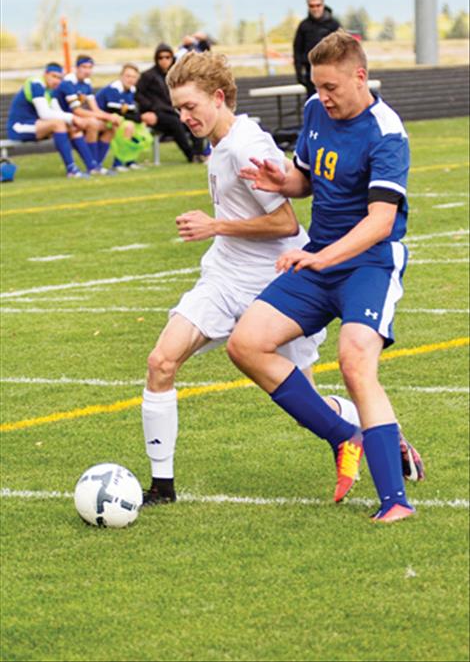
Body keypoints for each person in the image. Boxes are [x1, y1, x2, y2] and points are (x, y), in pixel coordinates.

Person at [139, 50, 422, 508]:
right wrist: (284, 180)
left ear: (217, 97)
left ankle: (385, 463)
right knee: (163, 361)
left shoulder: (255, 142)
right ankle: (162, 486)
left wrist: (218, 226)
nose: (184, 117)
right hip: (235, 275)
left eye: (190, 107)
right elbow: (304, 180)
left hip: (303, 270)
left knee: (336, 380)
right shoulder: (299, 116)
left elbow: (299, 225)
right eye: (179, 110)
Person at [228, 30, 421, 523]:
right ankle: (344, 436)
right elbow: (308, 178)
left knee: (355, 361)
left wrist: (322, 256)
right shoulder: (317, 109)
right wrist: (282, 183)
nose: (323, 96)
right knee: (246, 344)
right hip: (320, 259)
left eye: (332, 86)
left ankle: (395, 500)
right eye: (317, 85)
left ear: (360, 76)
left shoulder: (386, 131)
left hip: (368, 263)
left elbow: (379, 223)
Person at [7, 62, 87, 178]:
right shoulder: (36, 84)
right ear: (45, 74)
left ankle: (93, 167)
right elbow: (44, 114)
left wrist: (72, 121)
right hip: (19, 127)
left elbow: (57, 112)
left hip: (36, 126)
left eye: (60, 78)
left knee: (71, 126)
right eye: (54, 76)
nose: (57, 81)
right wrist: (73, 117)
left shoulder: (50, 90)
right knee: (58, 124)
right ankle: (71, 169)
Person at [135, 43, 207, 163]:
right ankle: (191, 155)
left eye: (167, 57)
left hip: (174, 111)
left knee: (194, 120)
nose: (164, 60)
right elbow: (138, 95)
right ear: (156, 59)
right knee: (175, 124)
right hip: (158, 114)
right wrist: (150, 107)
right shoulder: (148, 76)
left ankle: (199, 153)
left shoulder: (176, 75)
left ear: (172, 58)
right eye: (160, 57)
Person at [52, 55, 121, 174]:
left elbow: (95, 108)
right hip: (65, 120)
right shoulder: (68, 83)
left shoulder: (86, 83)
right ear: (76, 68)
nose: (87, 70)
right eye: (84, 67)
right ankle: (92, 166)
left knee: (111, 126)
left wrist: (111, 118)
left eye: (90, 67)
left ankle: (97, 164)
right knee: (93, 123)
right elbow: (77, 111)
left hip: (78, 119)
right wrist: (107, 116)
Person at [95, 63, 155, 171]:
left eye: (134, 77)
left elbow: (129, 112)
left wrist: (143, 118)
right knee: (128, 126)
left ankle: (130, 160)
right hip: (103, 119)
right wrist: (141, 117)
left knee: (140, 129)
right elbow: (115, 112)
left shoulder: (131, 90)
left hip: (116, 119)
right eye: (128, 76)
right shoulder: (113, 89)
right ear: (121, 76)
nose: (130, 79)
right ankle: (118, 162)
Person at [293, 0, 341, 98]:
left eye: (318, 5)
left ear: (323, 5)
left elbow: (343, 49)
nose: (315, 9)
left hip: (332, 73)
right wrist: (299, 73)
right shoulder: (304, 26)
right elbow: (297, 50)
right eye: (312, 6)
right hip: (311, 75)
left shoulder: (333, 25)